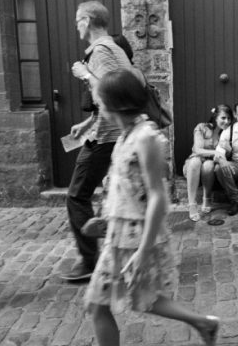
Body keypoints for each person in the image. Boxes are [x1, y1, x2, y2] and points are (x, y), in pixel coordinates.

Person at [85, 68, 219, 346]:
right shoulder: (125, 136)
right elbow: (126, 190)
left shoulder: (146, 136)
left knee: (113, 302)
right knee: (130, 300)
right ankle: (203, 323)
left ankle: (203, 323)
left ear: (115, 105)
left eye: (100, 102)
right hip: (119, 235)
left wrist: (144, 252)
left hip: (136, 238)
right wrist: (105, 220)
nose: (97, 107)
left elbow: (158, 196)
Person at [61, 0, 133, 281]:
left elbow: (109, 93)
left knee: (77, 195)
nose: (76, 25)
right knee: (116, 193)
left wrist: (85, 73)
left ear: (87, 20)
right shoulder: (113, 49)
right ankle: (119, 250)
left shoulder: (101, 51)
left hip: (106, 137)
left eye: (77, 20)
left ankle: (90, 261)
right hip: (110, 131)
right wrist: (87, 122)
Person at [183, 105, 233, 221]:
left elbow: (226, 157)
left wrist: (229, 150)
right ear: (215, 117)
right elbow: (197, 150)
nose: (226, 121)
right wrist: (215, 151)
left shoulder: (226, 134)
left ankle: (207, 198)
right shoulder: (202, 127)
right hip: (192, 167)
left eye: (229, 119)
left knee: (209, 164)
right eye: (223, 118)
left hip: (209, 170)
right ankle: (192, 204)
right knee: (196, 161)